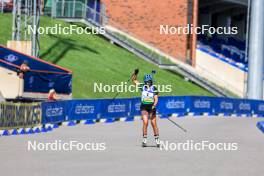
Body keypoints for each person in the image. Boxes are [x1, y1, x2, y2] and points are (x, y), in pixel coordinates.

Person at [132, 69, 160, 147]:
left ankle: (157, 140)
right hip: (144, 106)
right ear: (145, 82)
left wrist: (154, 105)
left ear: (151, 81)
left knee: (153, 124)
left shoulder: (154, 88)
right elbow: (134, 80)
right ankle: (144, 140)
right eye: (147, 82)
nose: (148, 83)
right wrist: (135, 73)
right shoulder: (142, 86)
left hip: (151, 107)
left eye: (149, 81)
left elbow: (156, 98)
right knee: (145, 122)